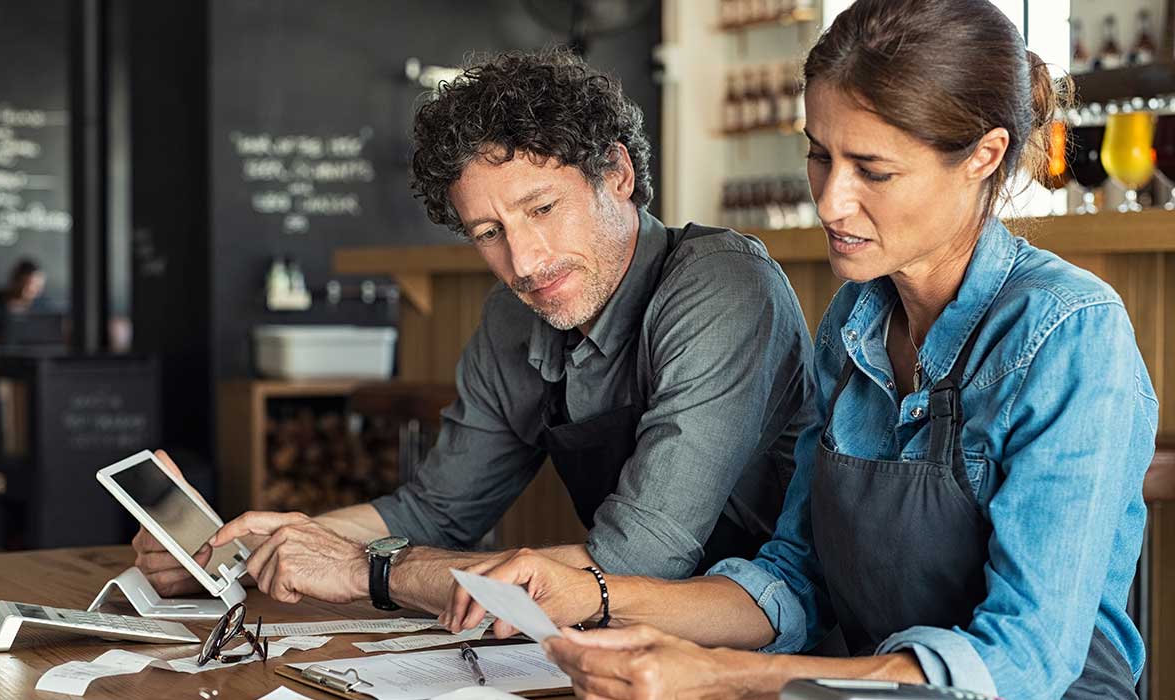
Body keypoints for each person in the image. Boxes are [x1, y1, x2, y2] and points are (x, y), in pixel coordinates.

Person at [446, 3, 1156, 699]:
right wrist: (593, 594)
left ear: (984, 156)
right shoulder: (855, 320)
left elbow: (1023, 661)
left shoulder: (1068, 331)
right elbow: (793, 579)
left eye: (872, 170)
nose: (830, 201)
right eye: (820, 155)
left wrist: (727, 676)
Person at [133, 49, 815, 615]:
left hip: (775, 646)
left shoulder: (722, 288)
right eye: (489, 233)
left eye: (542, 209)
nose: (524, 262)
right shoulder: (514, 316)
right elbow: (436, 509)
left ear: (617, 174)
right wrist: (248, 548)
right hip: (629, 649)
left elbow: (635, 562)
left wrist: (368, 572)